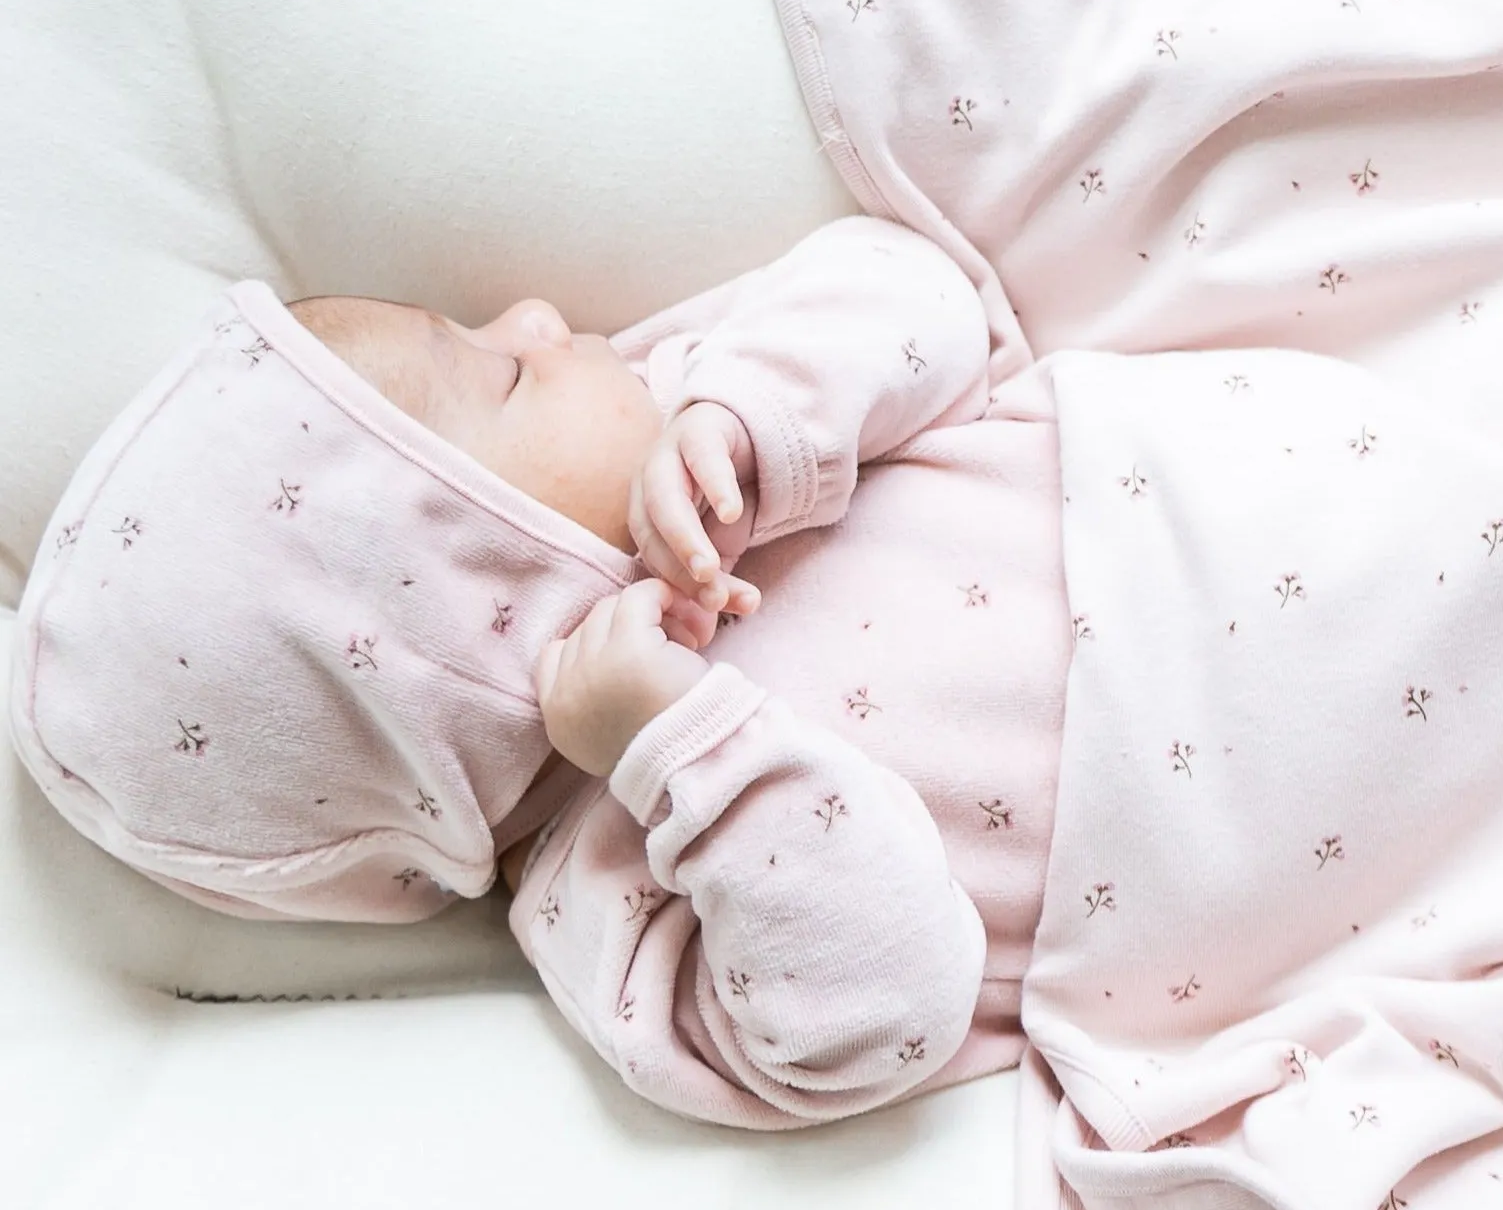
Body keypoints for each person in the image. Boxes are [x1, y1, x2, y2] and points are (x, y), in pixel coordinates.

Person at [8, 217, 1069, 1127]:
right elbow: (884, 1017)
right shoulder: (597, 893)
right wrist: (680, 749)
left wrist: (754, 419)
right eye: (503, 372)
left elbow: (929, 295)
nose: (535, 318)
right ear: (475, 608)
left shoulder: (699, 405)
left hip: (1186, 480)